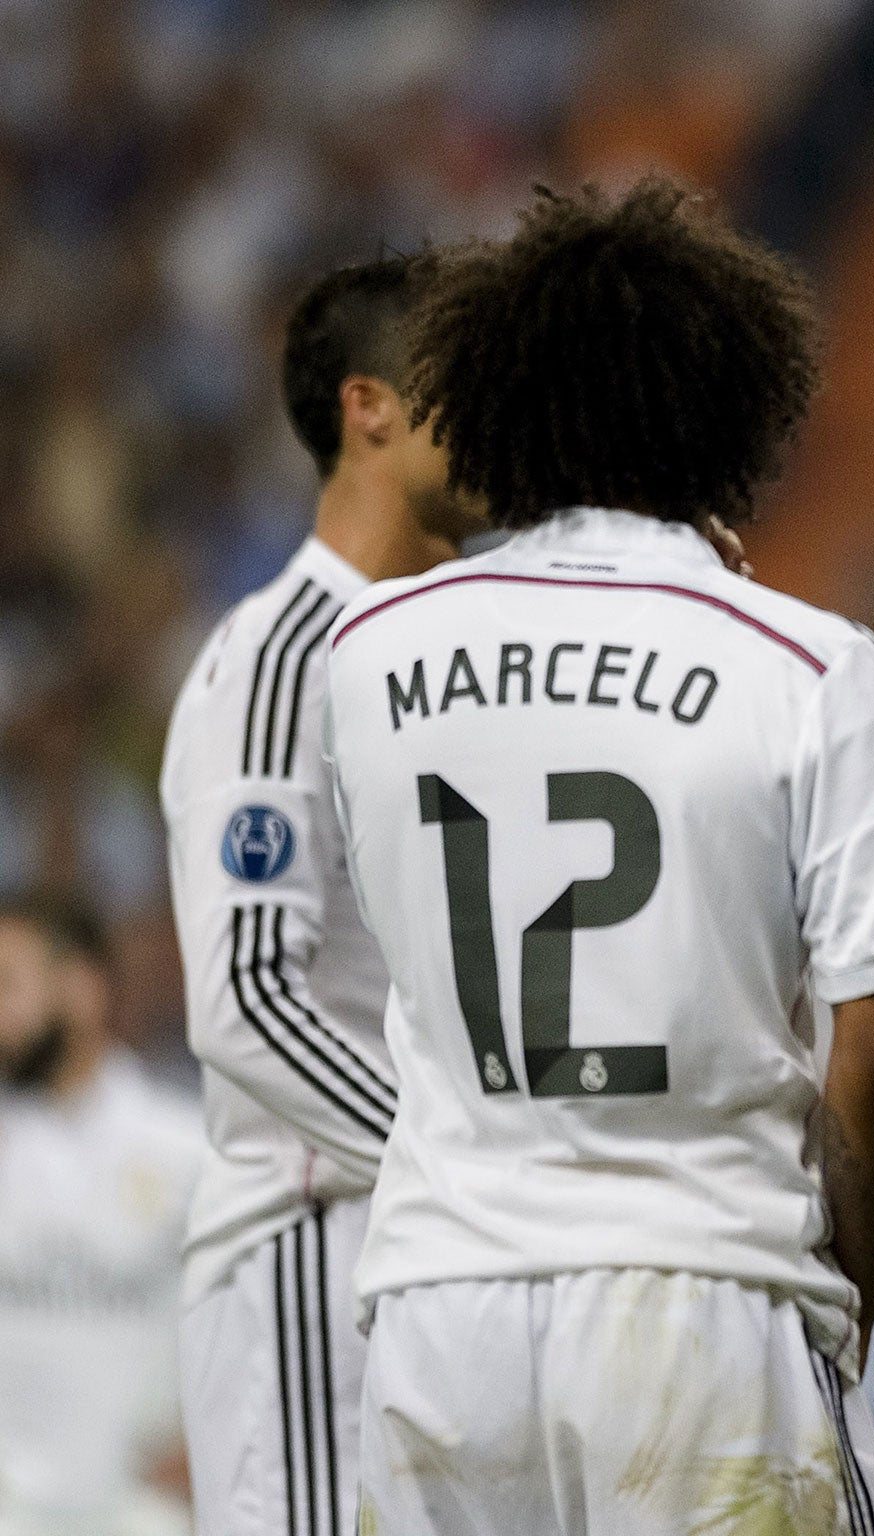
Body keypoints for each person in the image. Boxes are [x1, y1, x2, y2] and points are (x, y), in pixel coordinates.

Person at [325, 177, 874, 1536]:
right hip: (699, 1296)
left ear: (497, 402)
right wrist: (841, 1277)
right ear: (732, 408)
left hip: (440, 1314)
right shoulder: (808, 665)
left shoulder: (364, 655)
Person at [160, 250, 487, 1536]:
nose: (508, 421)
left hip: (426, 1244)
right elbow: (245, 995)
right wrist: (455, 1156)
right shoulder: (286, 658)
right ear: (372, 409)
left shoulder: (444, 657)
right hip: (317, 1243)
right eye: (471, 384)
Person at [0, 894, 202, 1536]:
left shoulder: (185, 1149)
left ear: (83, 988)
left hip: (142, 1510)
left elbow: (246, 1319)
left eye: (8, 984)